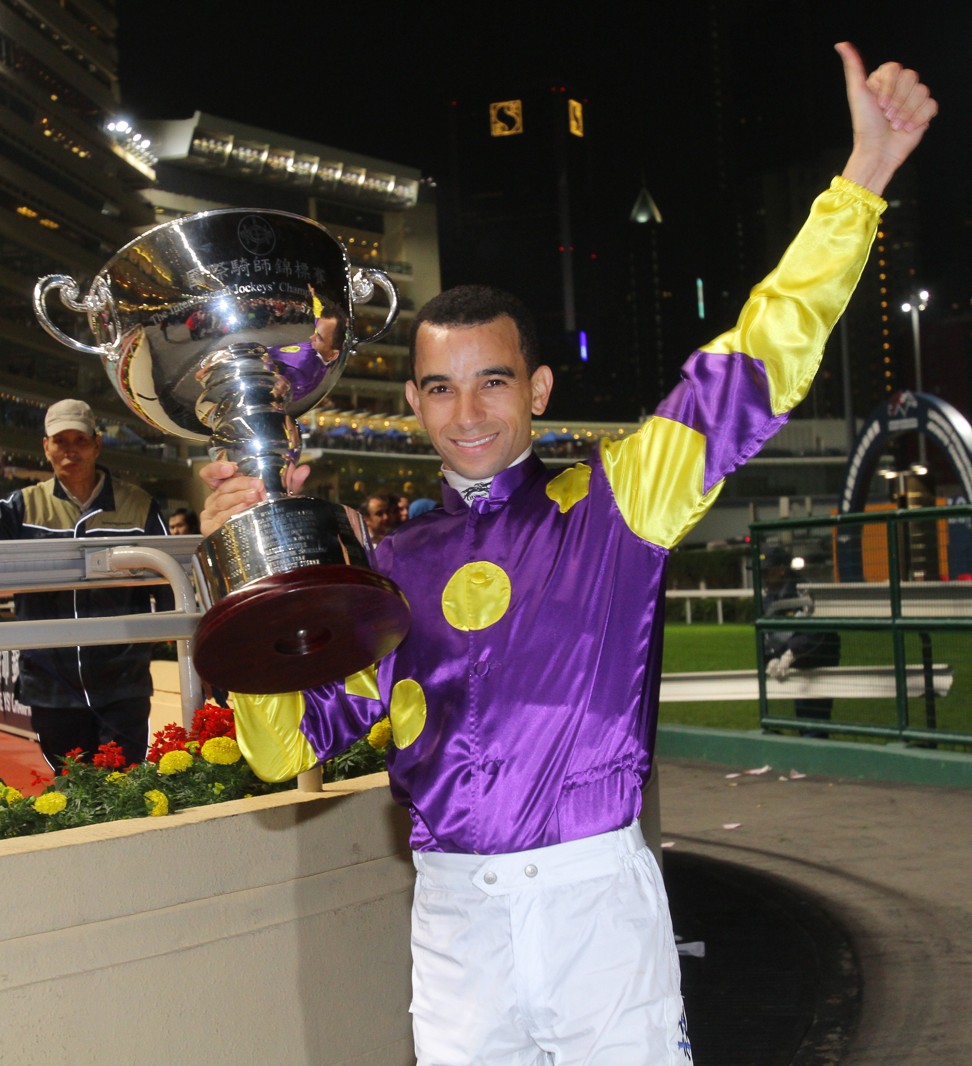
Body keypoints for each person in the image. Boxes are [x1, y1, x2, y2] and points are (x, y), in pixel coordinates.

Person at [199, 44, 936, 1065]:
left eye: (493, 382)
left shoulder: (622, 493)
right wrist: (260, 579)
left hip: (597, 905)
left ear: (539, 389)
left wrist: (861, 182)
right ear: (412, 402)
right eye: (442, 388)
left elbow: (759, 355)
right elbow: (285, 752)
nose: (468, 413)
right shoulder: (386, 563)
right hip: (455, 919)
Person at [0, 399, 169, 768]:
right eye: (60, 441)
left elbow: (172, 585)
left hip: (123, 681)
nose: (70, 449)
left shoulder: (139, 505)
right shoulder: (18, 508)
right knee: (71, 790)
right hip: (50, 684)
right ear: (46, 447)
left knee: (126, 786)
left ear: (97, 444)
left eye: (79, 439)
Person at [760, 545, 841, 736]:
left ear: (781, 570)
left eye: (767, 570)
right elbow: (770, 635)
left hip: (818, 662)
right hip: (795, 663)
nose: (763, 576)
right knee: (804, 720)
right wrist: (771, 657)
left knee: (815, 721)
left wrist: (791, 653)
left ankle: (817, 758)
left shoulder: (804, 592)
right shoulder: (769, 598)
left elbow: (815, 632)